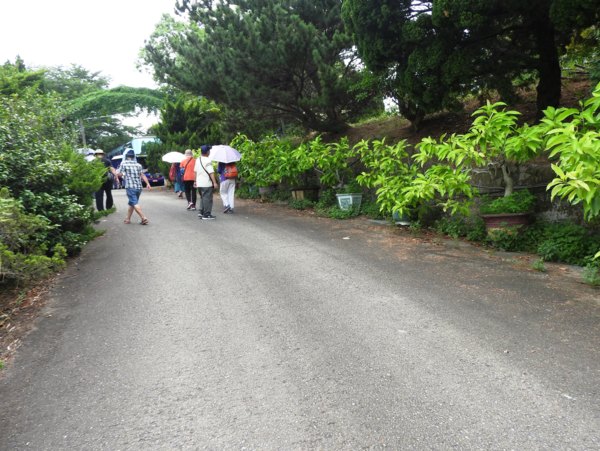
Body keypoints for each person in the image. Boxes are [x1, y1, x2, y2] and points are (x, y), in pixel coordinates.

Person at [116, 149, 151, 225]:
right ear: (133, 157)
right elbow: (142, 175)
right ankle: (127, 219)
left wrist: (119, 174)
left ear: (126, 157)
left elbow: (119, 174)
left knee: (134, 203)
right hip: (139, 187)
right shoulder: (139, 165)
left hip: (130, 186)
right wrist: (148, 183)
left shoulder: (124, 163)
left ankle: (143, 218)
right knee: (132, 203)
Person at [194, 145, 218, 220]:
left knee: (202, 197)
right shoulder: (208, 160)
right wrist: (214, 182)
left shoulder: (198, 160)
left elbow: (195, 172)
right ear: (207, 152)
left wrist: (195, 181)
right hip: (206, 183)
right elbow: (211, 172)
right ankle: (207, 214)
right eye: (209, 150)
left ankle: (201, 212)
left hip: (199, 183)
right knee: (208, 198)